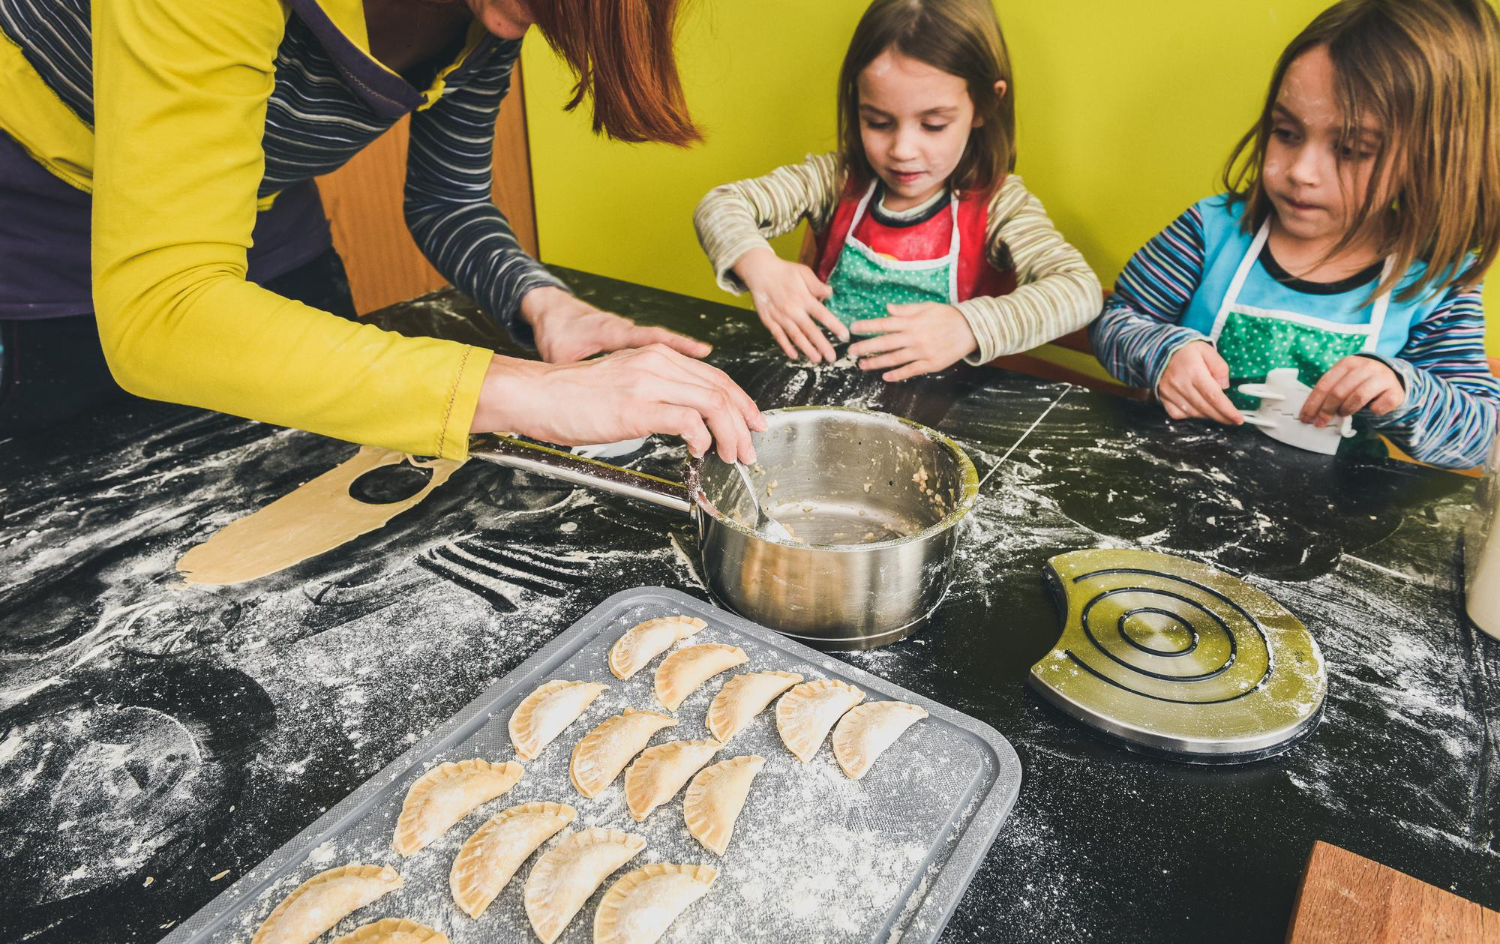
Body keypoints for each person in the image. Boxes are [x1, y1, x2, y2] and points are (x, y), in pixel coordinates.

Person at [0, 0, 762, 463]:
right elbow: (165, 313)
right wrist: (531, 392)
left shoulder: (491, 15)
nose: (507, 26)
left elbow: (449, 198)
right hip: (47, 241)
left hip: (264, 222)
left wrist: (546, 306)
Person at [1089, 0, 1500, 469]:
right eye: (1286, 132)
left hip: (1325, 518)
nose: (1301, 172)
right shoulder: (1210, 231)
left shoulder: (1434, 282)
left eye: (1350, 149)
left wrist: (1402, 391)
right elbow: (1114, 323)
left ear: (1432, 158)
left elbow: (1479, 433)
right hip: (1171, 476)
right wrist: (1163, 353)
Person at [691, 0, 1101, 381]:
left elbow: (1077, 290)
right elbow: (721, 205)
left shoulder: (999, 206)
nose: (902, 150)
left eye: (933, 124)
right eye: (879, 122)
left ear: (984, 106)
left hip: (942, 423)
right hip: (824, 395)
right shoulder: (836, 180)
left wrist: (968, 325)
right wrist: (759, 265)